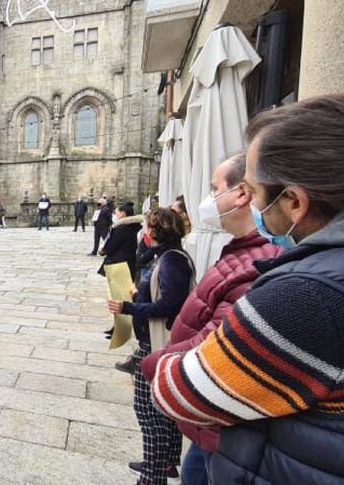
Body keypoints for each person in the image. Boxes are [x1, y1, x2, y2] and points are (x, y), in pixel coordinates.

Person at [150, 94, 344, 484]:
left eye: (254, 190)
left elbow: (178, 390)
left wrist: (162, 361)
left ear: (295, 201)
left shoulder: (312, 295)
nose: (249, 202)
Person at [137, 152, 280, 485]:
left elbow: (219, 342)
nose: (209, 199)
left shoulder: (257, 262)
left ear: (243, 193)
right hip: (213, 426)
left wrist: (154, 364)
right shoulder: (242, 253)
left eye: (215, 188)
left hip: (220, 420)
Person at [107, 207, 194, 485]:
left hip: (158, 344)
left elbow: (169, 305)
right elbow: (163, 293)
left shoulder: (171, 261)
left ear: (155, 232)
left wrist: (128, 306)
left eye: (147, 228)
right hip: (156, 342)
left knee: (148, 411)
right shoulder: (167, 258)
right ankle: (166, 463)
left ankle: (151, 476)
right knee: (162, 410)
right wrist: (138, 292)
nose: (144, 233)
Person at [98, 202, 143, 279]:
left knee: (120, 289)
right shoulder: (133, 226)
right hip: (128, 262)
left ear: (123, 213)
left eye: (116, 213)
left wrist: (103, 250)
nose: (115, 215)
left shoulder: (122, 228)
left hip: (120, 264)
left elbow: (111, 245)